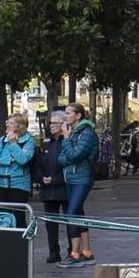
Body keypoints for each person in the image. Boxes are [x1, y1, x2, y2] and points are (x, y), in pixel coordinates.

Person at [59, 104, 99, 265]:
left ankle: (74, 252)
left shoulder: (86, 133)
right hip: (70, 177)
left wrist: (67, 141)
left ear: (79, 115)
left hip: (82, 178)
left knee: (71, 212)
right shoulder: (73, 132)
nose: (65, 116)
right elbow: (62, 158)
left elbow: (75, 155)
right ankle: (87, 251)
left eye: (68, 113)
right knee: (78, 213)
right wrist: (69, 151)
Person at [32, 113, 69, 265]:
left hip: (64, 188)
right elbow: (39, 165)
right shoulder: (46, 143)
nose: (51, 125)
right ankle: (53, 252)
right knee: (50, 223)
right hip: (48, 189)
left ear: (63, 125)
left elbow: (68, 165)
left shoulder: (67, 142)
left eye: (55, 123)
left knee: (69, 220)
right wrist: (41, 178)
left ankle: (73, 250)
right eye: (50, 123)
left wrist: (56, 179)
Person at [0, 114, 35, 203]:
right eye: (7, 122)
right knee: (3, 215)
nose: (7, 125)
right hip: (0, 182)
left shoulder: (28, 141)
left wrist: (13, 144)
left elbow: (23, 159)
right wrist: (10, 160)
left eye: (11, 123)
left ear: (20, 126)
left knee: (17, 215)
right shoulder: (2, 140)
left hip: (18, 184)